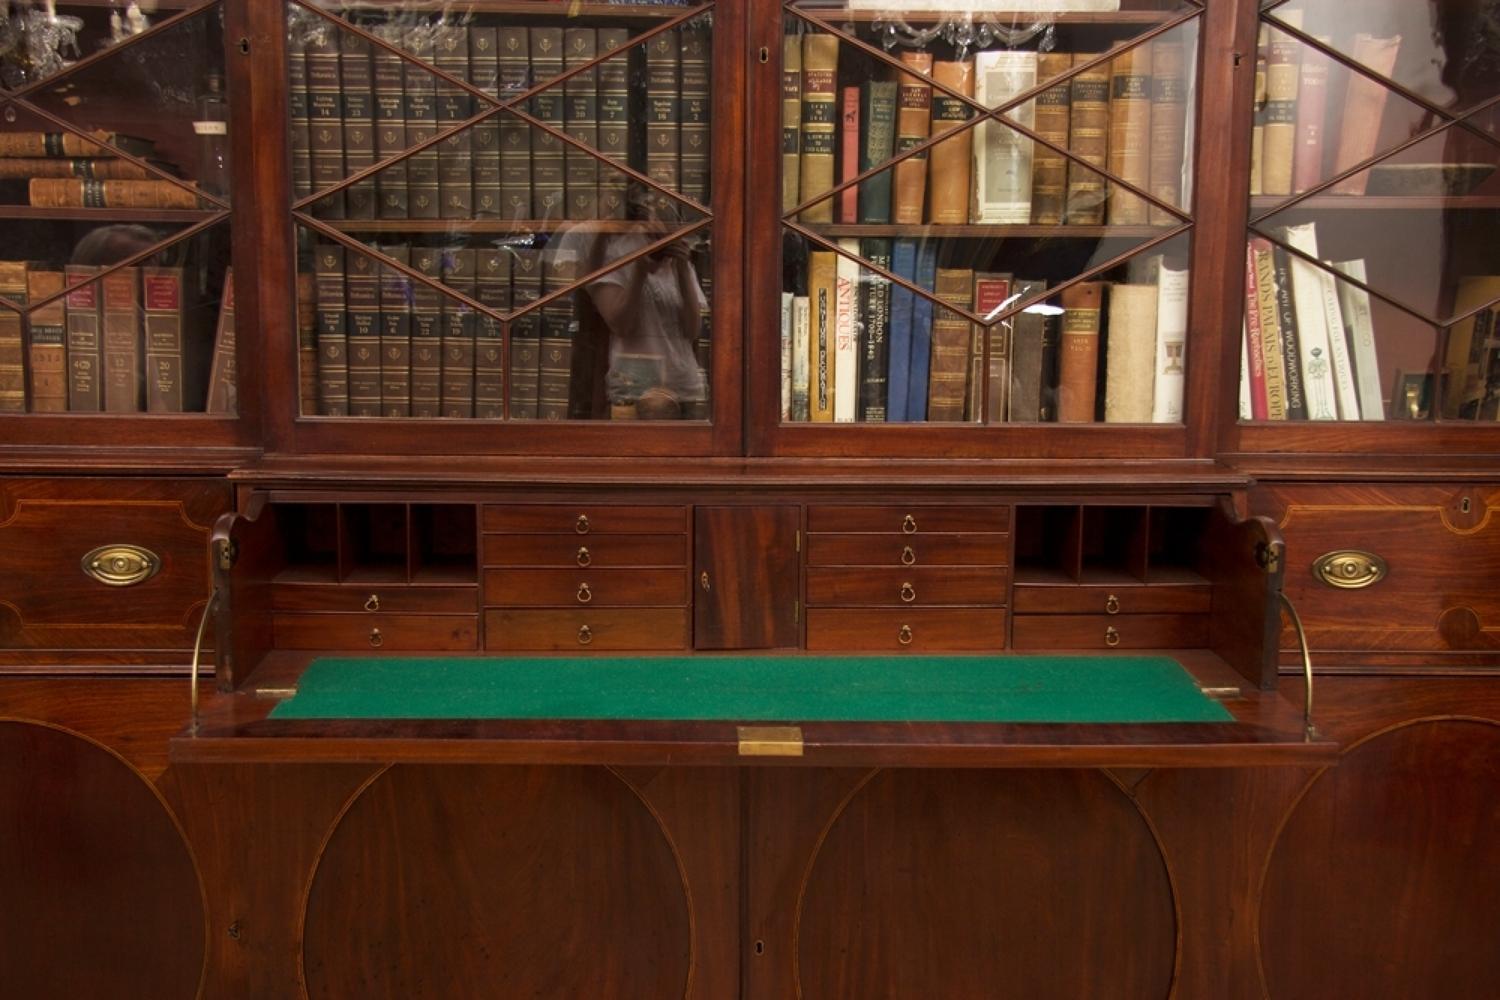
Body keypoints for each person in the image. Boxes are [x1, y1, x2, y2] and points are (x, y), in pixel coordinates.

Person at [555, 187, 707, 420]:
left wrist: (682, 268)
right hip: (634, 385)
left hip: (682, 384)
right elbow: (620, 324)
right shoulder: (615, 256)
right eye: (654, 213)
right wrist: (640, 270)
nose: (661, 223)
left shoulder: (679, 261)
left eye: (668, 215)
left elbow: (693, 329)